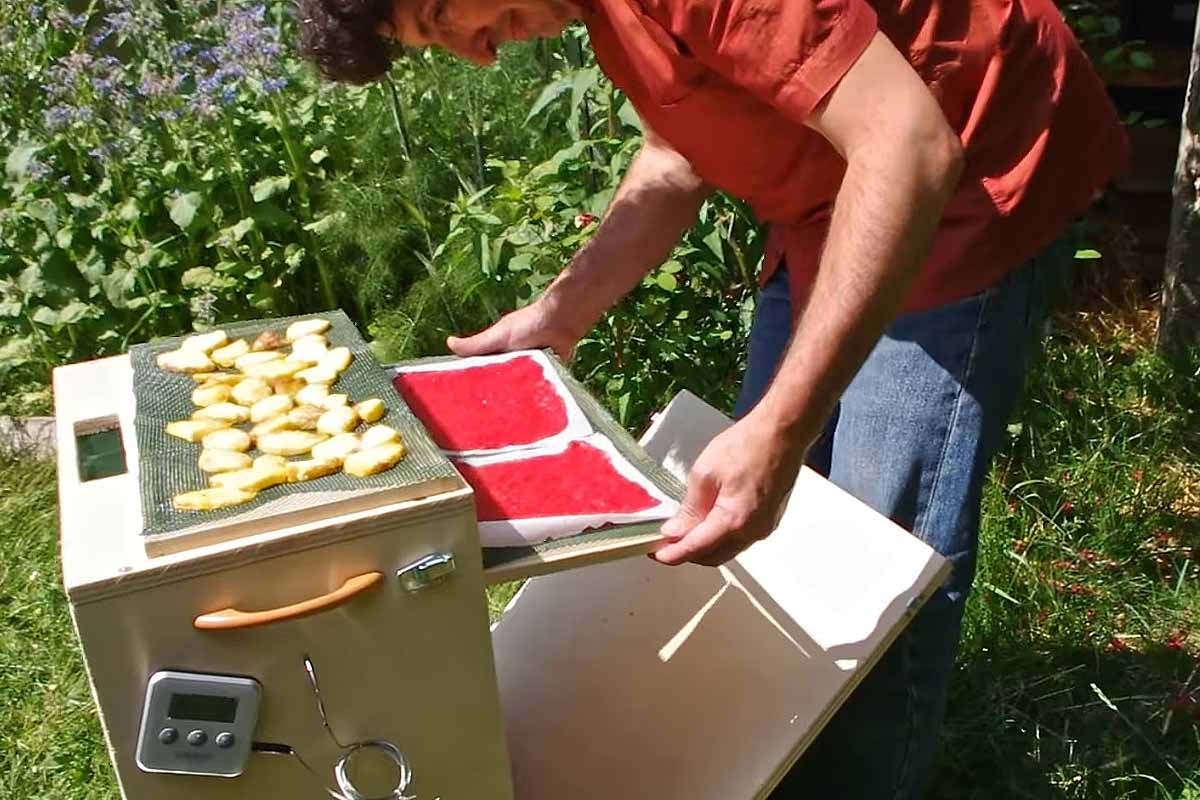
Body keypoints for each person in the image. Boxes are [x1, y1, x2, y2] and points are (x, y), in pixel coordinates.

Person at [298, 0, 1127, 795]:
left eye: (444, 19)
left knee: (881, 547)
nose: (476, 51)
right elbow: (675, 154)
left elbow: (909, 147)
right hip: (833, 191)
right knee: (756, 519)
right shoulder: (608, 15)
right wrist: (559, 314)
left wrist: (780, 429)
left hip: (961, 169)